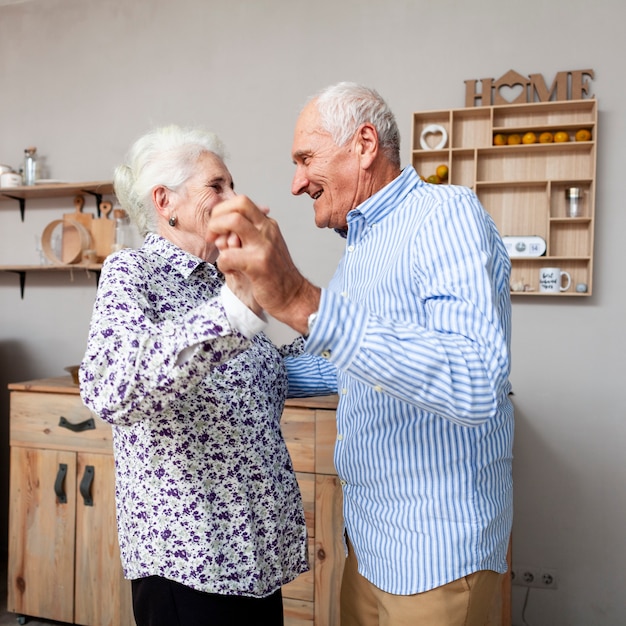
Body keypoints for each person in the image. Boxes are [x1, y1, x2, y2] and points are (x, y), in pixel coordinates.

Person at [206, 82, 514, 626]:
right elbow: (340, 359)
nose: (297, 182)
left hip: (438, 557)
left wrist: (301, 300)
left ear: (365, 144)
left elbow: (475, 382)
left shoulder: (445, 216)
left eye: (306, 159)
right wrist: (237, 369)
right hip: (368, 547)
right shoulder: (360, 251)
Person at [79, 125, 308, 626]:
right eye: (217, 186)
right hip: (189, 558)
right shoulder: (132, 273)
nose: (233, 197)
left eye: (231, 185)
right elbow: (108, 388)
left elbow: (258, 380)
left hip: (254, 553)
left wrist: (347, 332)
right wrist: (235, 310)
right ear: (166, 202)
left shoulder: (225, 277)